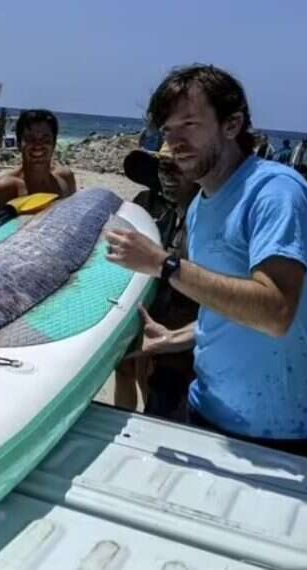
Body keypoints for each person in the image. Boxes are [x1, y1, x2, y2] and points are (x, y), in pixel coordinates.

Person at [105, 64, 307, 462]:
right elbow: (228, 306)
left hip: (284, 430)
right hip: (207, 410)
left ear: (232, 125)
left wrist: (166, 265)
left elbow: (276, 311)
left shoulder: (275, 192)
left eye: (190, 124)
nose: (175, 141)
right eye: (168, 130)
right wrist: (175, 338)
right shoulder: (200, 207)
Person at [115, 141, 200, 419]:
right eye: (164, 167)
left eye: (177, 168)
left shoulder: (200, 218)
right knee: (127, 369)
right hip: (143, 304)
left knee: (156, 381)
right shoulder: (144, 203)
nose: (168, 176)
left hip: (182, 323)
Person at [0, 109, 77, 220]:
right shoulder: (5, 189)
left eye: (45, 139)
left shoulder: (65, 179)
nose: (38, 145)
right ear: (19, 144)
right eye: (30, 139)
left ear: (54, 144)